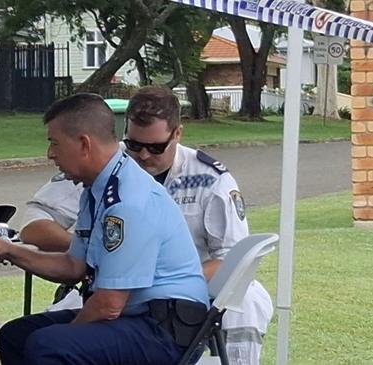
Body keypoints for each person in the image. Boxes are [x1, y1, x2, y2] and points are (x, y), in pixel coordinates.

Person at [20, 86, 273, 365]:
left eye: (155, 147)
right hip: (119, 292)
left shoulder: (207, 179)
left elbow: (230, 258)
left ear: (177, 133)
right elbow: (34, 223)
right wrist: (106, 253)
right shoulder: (101, 167)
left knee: (49, 344)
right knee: (20, 335)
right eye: (133, 145)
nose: (142, 156)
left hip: (169, 307)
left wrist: (161, 276)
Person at [0, 93, 209, 365]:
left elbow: (109, 304)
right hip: (139, 318)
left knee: (47, 345)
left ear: (84, 143)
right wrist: (9, 250)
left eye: (55, 143)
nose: (50, 154)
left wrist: (64, 336)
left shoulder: (128, 201)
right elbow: (74, 266)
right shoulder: (99, 189)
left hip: (163, 331)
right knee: (17, 335)